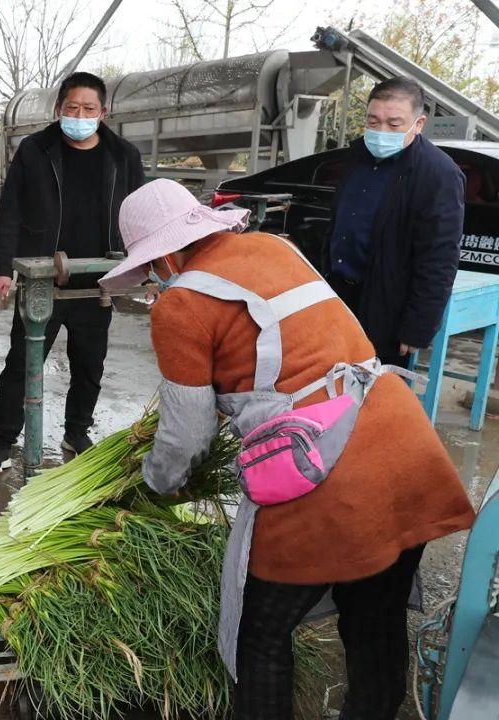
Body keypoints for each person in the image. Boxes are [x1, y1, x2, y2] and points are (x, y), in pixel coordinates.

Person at [99, 179, 474, 720]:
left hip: (325, 463)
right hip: (398, 434)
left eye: (151, 266)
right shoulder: (275, 246)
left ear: (162, 255)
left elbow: (186, 432)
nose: (154, 278)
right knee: (374, 616)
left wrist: (155, 483)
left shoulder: (179, 306)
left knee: (262, 630)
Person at [0, 71, 145, 472]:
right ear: (58, 109)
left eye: (89, 108)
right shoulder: (35, 151)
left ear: (103, 112)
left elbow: (141, 214)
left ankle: (76, 430)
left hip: (99, 280)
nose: (80, 114)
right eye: (72, 108)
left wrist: (143, 266)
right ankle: (2, 440)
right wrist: (3, 268)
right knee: (22, 361)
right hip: (41, 279)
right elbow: (10, 213)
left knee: (90, 363)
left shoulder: (124, 156)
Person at [324, 77, 465, 367]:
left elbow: (439, 259)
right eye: (373, 122)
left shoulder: (437, 174)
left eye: (394, 124)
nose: (381, 131)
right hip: (336, 295)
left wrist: (417, 327)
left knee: (375, 396)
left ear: (419, 123)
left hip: (385, 305)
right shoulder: (357, 157)